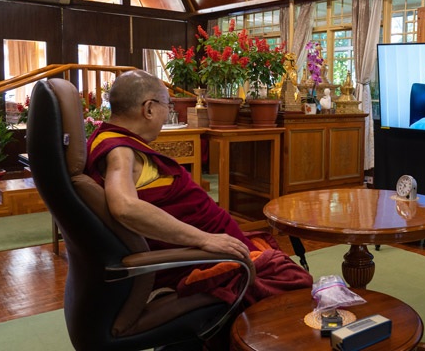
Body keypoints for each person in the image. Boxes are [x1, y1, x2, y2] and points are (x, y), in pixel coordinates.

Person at [84, 71, 313, 308]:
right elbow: (125, 207)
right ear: (149, 109)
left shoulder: (111, 140)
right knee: (295, 281)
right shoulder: (119, 151)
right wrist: (205, 240)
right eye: (168, 104)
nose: (168, 113)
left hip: (211, 247)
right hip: (197, 259)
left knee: (277, 262)